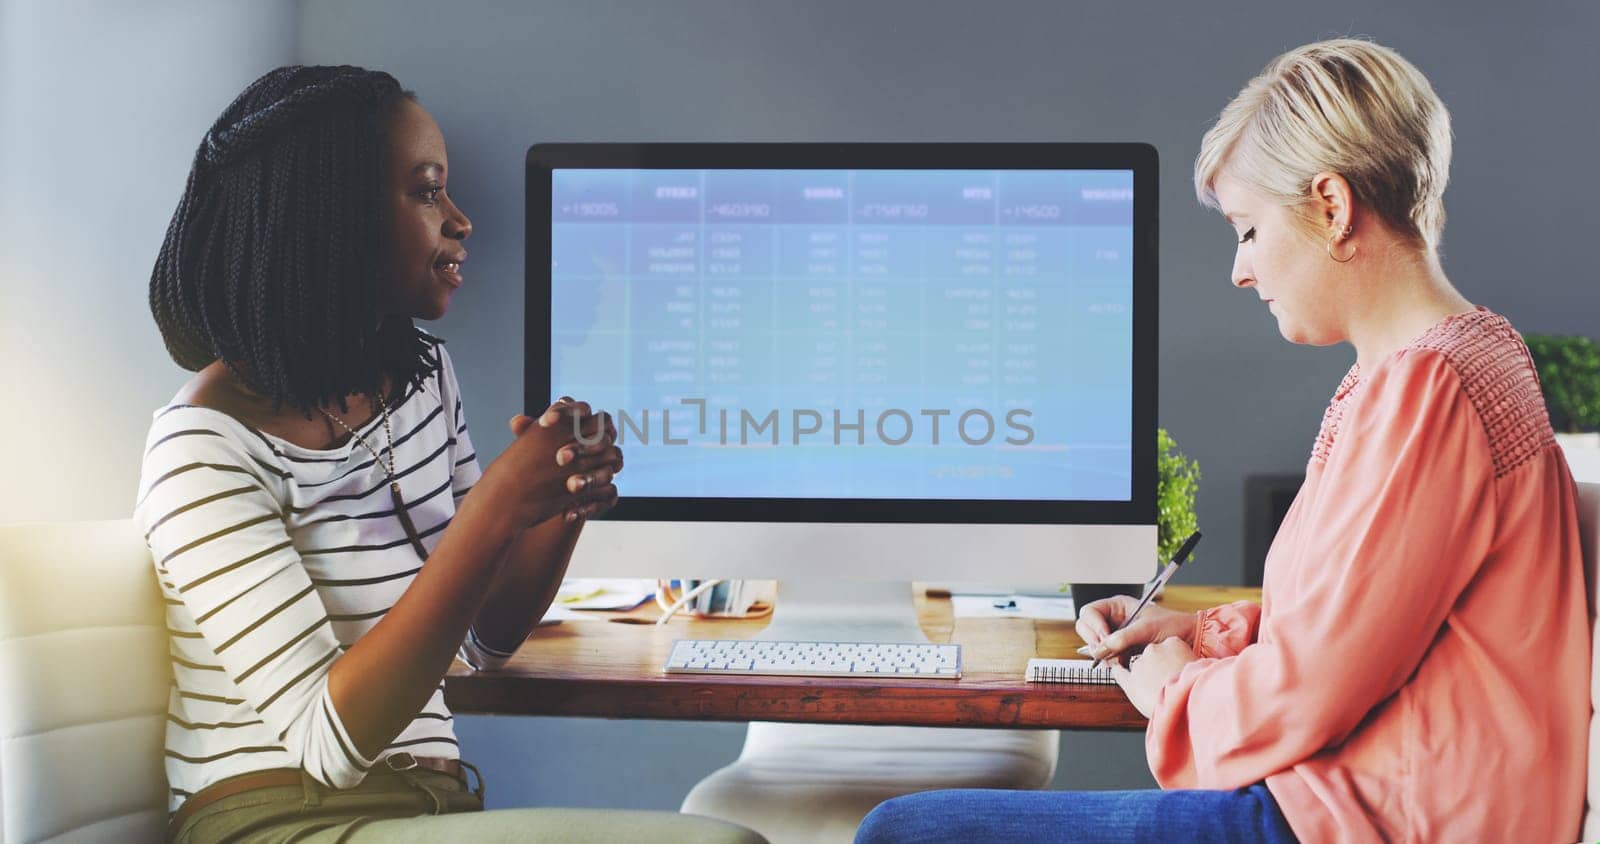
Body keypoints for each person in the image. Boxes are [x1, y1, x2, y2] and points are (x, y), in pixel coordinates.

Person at [855, 38, 1589, 843]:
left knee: (903, 831)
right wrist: (1197, 634)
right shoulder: (1466, 356)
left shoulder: (1429, 386)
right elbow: (1370, 624)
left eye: (1246, 229)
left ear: (1333, 207)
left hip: (1376, 820)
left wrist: (1179, 688)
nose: (1240, 271)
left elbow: (1313, 689)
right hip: (1384, 798)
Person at [137, 65, 764, 843]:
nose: (460, 220)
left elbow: (484, 639)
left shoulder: (419, 379)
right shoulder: (201, 445)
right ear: (333, 220)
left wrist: (554, 505)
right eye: (427, 192)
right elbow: (327, 742)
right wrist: (495, 506)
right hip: (280, 822)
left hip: (424, 812)